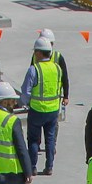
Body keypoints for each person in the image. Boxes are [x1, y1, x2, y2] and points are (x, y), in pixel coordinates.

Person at [20, 37, 64, 176]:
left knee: (33, 139)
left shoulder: (34, 69)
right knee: (50, 139)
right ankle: (49, 167)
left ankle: (32, 167)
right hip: (53, 110)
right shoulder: (57, 68)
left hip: (37, 110)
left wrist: (26, 103)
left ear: (39, 53)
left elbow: (25, 91)